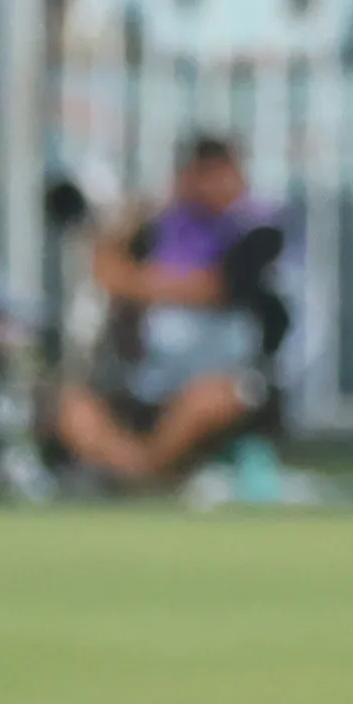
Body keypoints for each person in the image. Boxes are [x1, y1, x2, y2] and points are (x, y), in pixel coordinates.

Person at [54, 133, 289, 487]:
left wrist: (133, 280)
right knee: (73, 408)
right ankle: (142, 471)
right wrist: (125, 223)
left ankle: (147, 473)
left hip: (230, 379)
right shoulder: (159, 228)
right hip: (154, 381)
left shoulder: (258, 228)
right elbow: (104, 272)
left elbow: (218, 287)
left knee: (207, 401)